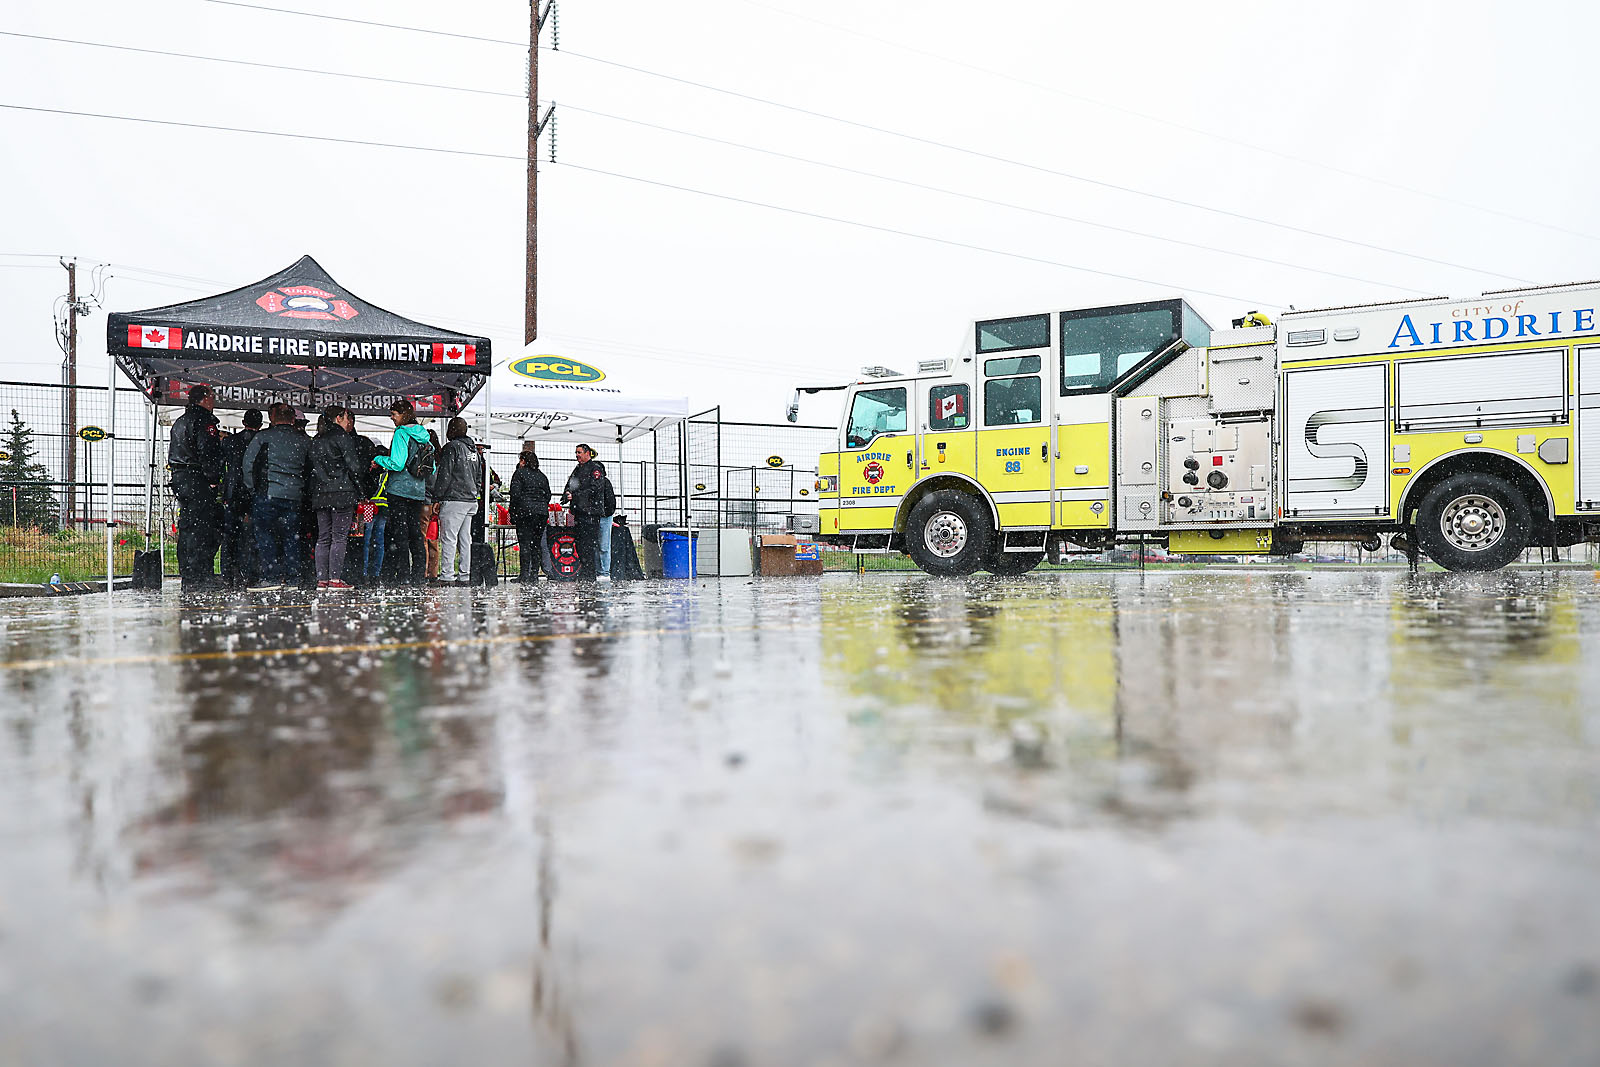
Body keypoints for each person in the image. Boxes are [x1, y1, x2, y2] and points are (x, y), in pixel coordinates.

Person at [241, 402, 312, 590]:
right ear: (293, 419)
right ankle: (293, 578)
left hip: (267, 494)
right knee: (291, 537)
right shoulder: (303, 440)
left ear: (272, 418)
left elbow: (248, 465)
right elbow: (310, 468)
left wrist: (252, 490)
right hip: (294, 495)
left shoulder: (263, 437)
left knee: (266, 536)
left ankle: (271, 578)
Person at [167, 383, 225, 590]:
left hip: (181, 476)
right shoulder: (203, 421)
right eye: (212, 396)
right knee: (202, 528)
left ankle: (189, 575)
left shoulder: (180, 422)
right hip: (196, 478)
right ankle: (200, 576)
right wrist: (213, 478)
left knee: (188, 527)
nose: (214, 400)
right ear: (205, 398)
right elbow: (207, 451)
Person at [372, 398, 431, 586]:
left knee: (400, 534)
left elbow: (397, 463)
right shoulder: (424, 435)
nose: (392, 418)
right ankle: (418, 575)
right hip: (418, 491)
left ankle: (403, 574)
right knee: (416, 533)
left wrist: (379, 459)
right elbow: (432, 467)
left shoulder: (401, 433)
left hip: (399, 490)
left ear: (403, 415)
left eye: (394, 414)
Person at [307, 405, 365, 590]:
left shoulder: (317, 439)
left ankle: (322, 579)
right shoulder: (343, 437)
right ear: (339, 418)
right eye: (347, 417)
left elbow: (311, 468)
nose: (348, 421)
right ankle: (335, 579)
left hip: (320, 494)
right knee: (339, 537)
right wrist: (361, 491)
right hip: (342, 493)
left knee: (323, 537)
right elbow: (354, 467)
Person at [428, 416, 483, 586]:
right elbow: (479, 476)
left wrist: (437, 497)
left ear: (451, 430)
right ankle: (465, 575)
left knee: (449, 538)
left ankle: (447, 576)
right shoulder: (473, 450)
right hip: (470, 500)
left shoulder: (452, 447)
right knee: (465, 539)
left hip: (454, 499)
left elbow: (445, 474)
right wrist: (474, 492)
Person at [219, 408, 262, 589]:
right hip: (255, 491)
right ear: (260, 425)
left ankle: (228, 573)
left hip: (233, 491)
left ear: (243, 423)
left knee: (230, 535)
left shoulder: (230, 442)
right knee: (253, 535)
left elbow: (221, 464)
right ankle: (251, 573)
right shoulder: (261, 442)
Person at [562, 443, 609, 580]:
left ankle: (590, 573)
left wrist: (576, 496)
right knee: (580, 544)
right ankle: (585, 570)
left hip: (591, 513)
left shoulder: (595, 469)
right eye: (576, 453)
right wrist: (567, 493)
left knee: (589, 545)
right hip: (579, 512)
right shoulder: (577, 469)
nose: (577, 455)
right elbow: (570, 484)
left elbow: (595, 489)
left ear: (587, 453)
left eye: (579, 452)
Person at [509, 443, 551, 582]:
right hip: (541, 514)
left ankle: (524, 574)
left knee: (525, 544)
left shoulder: (519, 473)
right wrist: (540, 506)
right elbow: (548, 495)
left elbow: (515, 494)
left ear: (524, 461)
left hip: (525, 513)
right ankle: (534, 574)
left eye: (521, 460)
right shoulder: (542, 476)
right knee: (536, 545)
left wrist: (513, 512)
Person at [595, 468, 618, 582]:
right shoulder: (603, 482)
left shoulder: (604, 483)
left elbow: (610, 501)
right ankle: (602, 571)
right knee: (601, 545)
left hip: (602, 516)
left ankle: (603, 572)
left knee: (603, 545)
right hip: (600, 515)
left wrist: (605, 513)